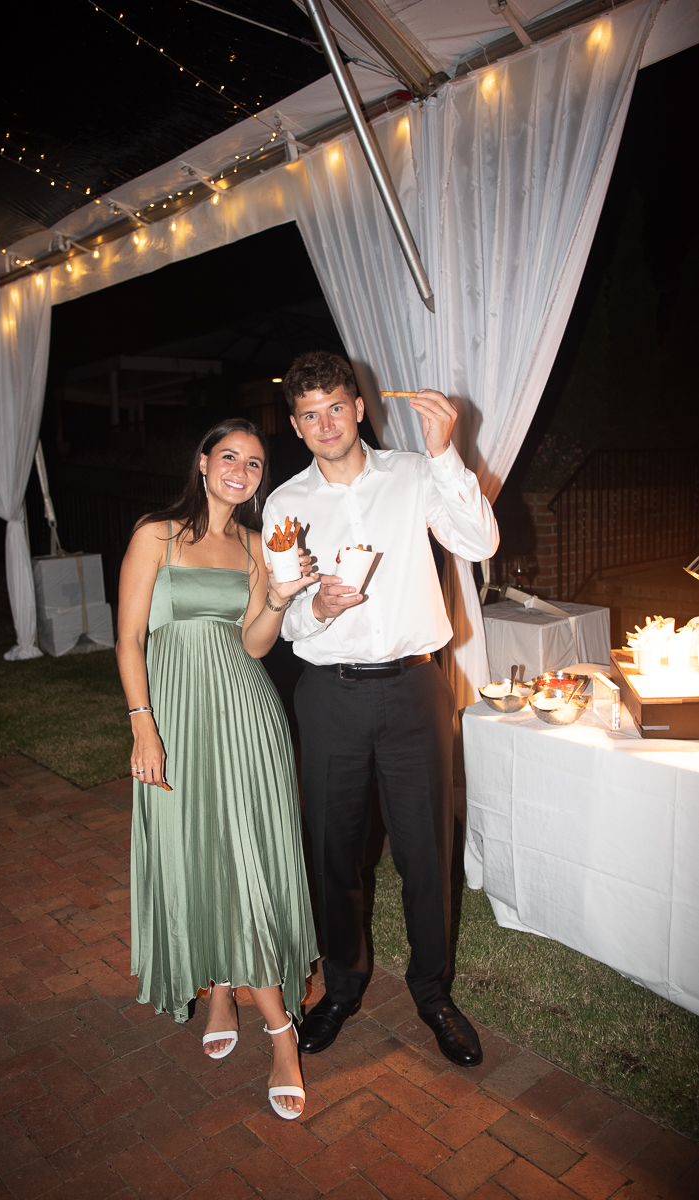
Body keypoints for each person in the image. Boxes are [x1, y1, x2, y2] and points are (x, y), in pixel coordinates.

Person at [262, 352, 499, 1067]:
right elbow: (288, 615)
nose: (324, 423)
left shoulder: (413, 474)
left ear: (359, 406)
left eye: (335, 406)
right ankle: (341, 986)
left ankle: (432, 993)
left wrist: (444, 453)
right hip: (328, 694)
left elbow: (478, 542)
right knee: (332, 851)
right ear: (296, 426)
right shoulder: (284, 504)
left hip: (412, 685)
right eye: (308, 414)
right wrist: (318, 607)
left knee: (424, 850)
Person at [116, 418, 319, 1119]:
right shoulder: (156, 534)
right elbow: (127, 640)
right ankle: (220, 992)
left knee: (246, 863)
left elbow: (257, 644)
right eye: (228, 456)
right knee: (192, 855)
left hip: (244, 715)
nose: (240, 470)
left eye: (255, 464)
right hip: (170, 716)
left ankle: (281, 1034)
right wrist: (143, 726)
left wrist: (280, 598)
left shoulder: (258, 544)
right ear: (202, 460)